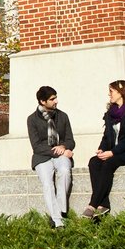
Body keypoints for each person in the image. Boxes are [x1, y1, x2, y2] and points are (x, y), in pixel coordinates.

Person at [83, 79, 125, 218]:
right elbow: (107, 136)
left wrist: (112, 152)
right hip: (114, 151)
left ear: (121, 92)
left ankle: (93, 204)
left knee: (109, 163)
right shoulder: (110, 113)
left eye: (111, 91)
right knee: (94, 162)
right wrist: (102, 149)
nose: (109, 94)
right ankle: (104, 204)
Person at [27, 85, 74, 227]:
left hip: (61, 155)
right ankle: (58, 221)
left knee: (65, 172)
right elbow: (36, 146)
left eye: (55, 98)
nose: (56, 101)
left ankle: (58, 212)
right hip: (42, 156)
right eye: (52, 99)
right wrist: (57, 150)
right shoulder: (32, 119)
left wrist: (64, 147)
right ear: (42, 101)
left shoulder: (62, 116)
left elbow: (70, 139)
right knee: (47, 184)